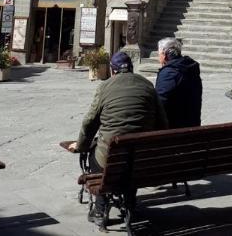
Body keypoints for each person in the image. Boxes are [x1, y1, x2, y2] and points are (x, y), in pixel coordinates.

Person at [66, 51, 167, 222]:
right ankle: (129, 203)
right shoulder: (147, 85)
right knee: (131, 159)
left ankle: (100, 208)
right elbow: (163, 122)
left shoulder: (105, 87)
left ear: (113, 71)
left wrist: (82, 145)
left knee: (95, 157)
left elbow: (90, 121)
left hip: (110, 156)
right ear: (132, 68)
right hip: (141, 157)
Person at [155, 38, 202, 128]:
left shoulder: (169, 73)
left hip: (174, 128)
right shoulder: (189, 68)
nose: (158, 57)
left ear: (164, 55)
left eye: (159, 54)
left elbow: (160, 102)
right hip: (192, 124)